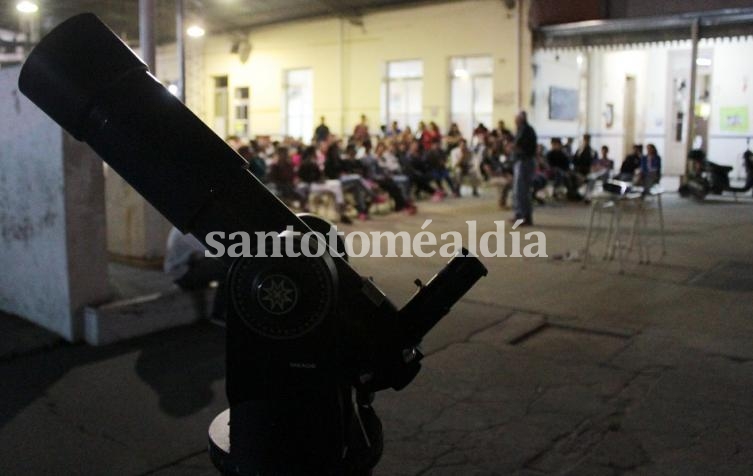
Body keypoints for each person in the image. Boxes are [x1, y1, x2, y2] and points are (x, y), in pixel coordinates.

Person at [164, 227, 227, 322]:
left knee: (223, 266)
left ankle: (218, 313)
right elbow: (214, 252)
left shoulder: (182, 227)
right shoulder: (189, 231)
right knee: (226, 270)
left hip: (186, 267)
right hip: (183, 275)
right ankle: (218, 314)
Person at [511, 111, 537, 225]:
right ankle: (526, 216)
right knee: (525, 191)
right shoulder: (527, 130)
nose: (514, 121)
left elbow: (519, 146)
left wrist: (512, 147)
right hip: (526, 162)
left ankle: (521, 216)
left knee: (520, 190)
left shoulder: (524, 130)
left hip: (523, 162)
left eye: (516, 119)